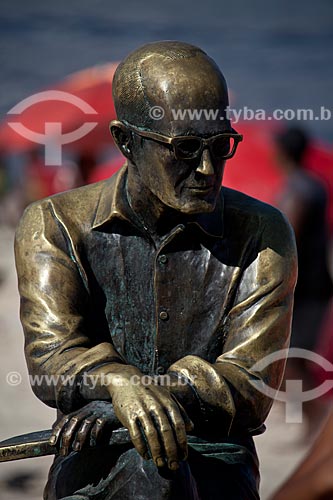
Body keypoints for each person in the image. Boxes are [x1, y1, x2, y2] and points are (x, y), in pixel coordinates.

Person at [14, 41, 297, 500]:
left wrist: (131, 401)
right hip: (96, 458)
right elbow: (51, 358)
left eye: (221, 145)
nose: (207, 168)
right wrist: (117, 381)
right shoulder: (55, 224)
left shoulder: (263, 232)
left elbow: (253, 381)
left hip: (212, 460)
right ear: (126, 141)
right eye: (185, 148)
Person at [275, 127, 333, 431]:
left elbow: (289, 236)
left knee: (294, 360)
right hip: (316, 285)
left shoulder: (297, 189)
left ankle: (318, 424)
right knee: (293, 359)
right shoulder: (315, 184)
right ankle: (304, 422)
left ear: (281, 152)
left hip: (305, 288)